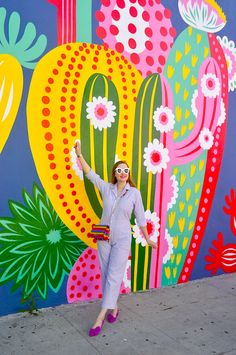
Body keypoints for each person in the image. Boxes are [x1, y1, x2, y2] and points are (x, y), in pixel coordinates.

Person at [74, 141, 156, 337]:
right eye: (119, 170)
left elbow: (141, 218)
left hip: (122, 239)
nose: (122, 172)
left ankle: (100, 317)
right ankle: (115, 307)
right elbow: (90, 174)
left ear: (128, 173)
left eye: (125, 170)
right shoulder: (107, 188)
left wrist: (148, 238)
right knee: (106, 275)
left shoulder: (134, 193)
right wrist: (79, 154)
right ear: (115, 173)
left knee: (113, 276)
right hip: (103, 237)